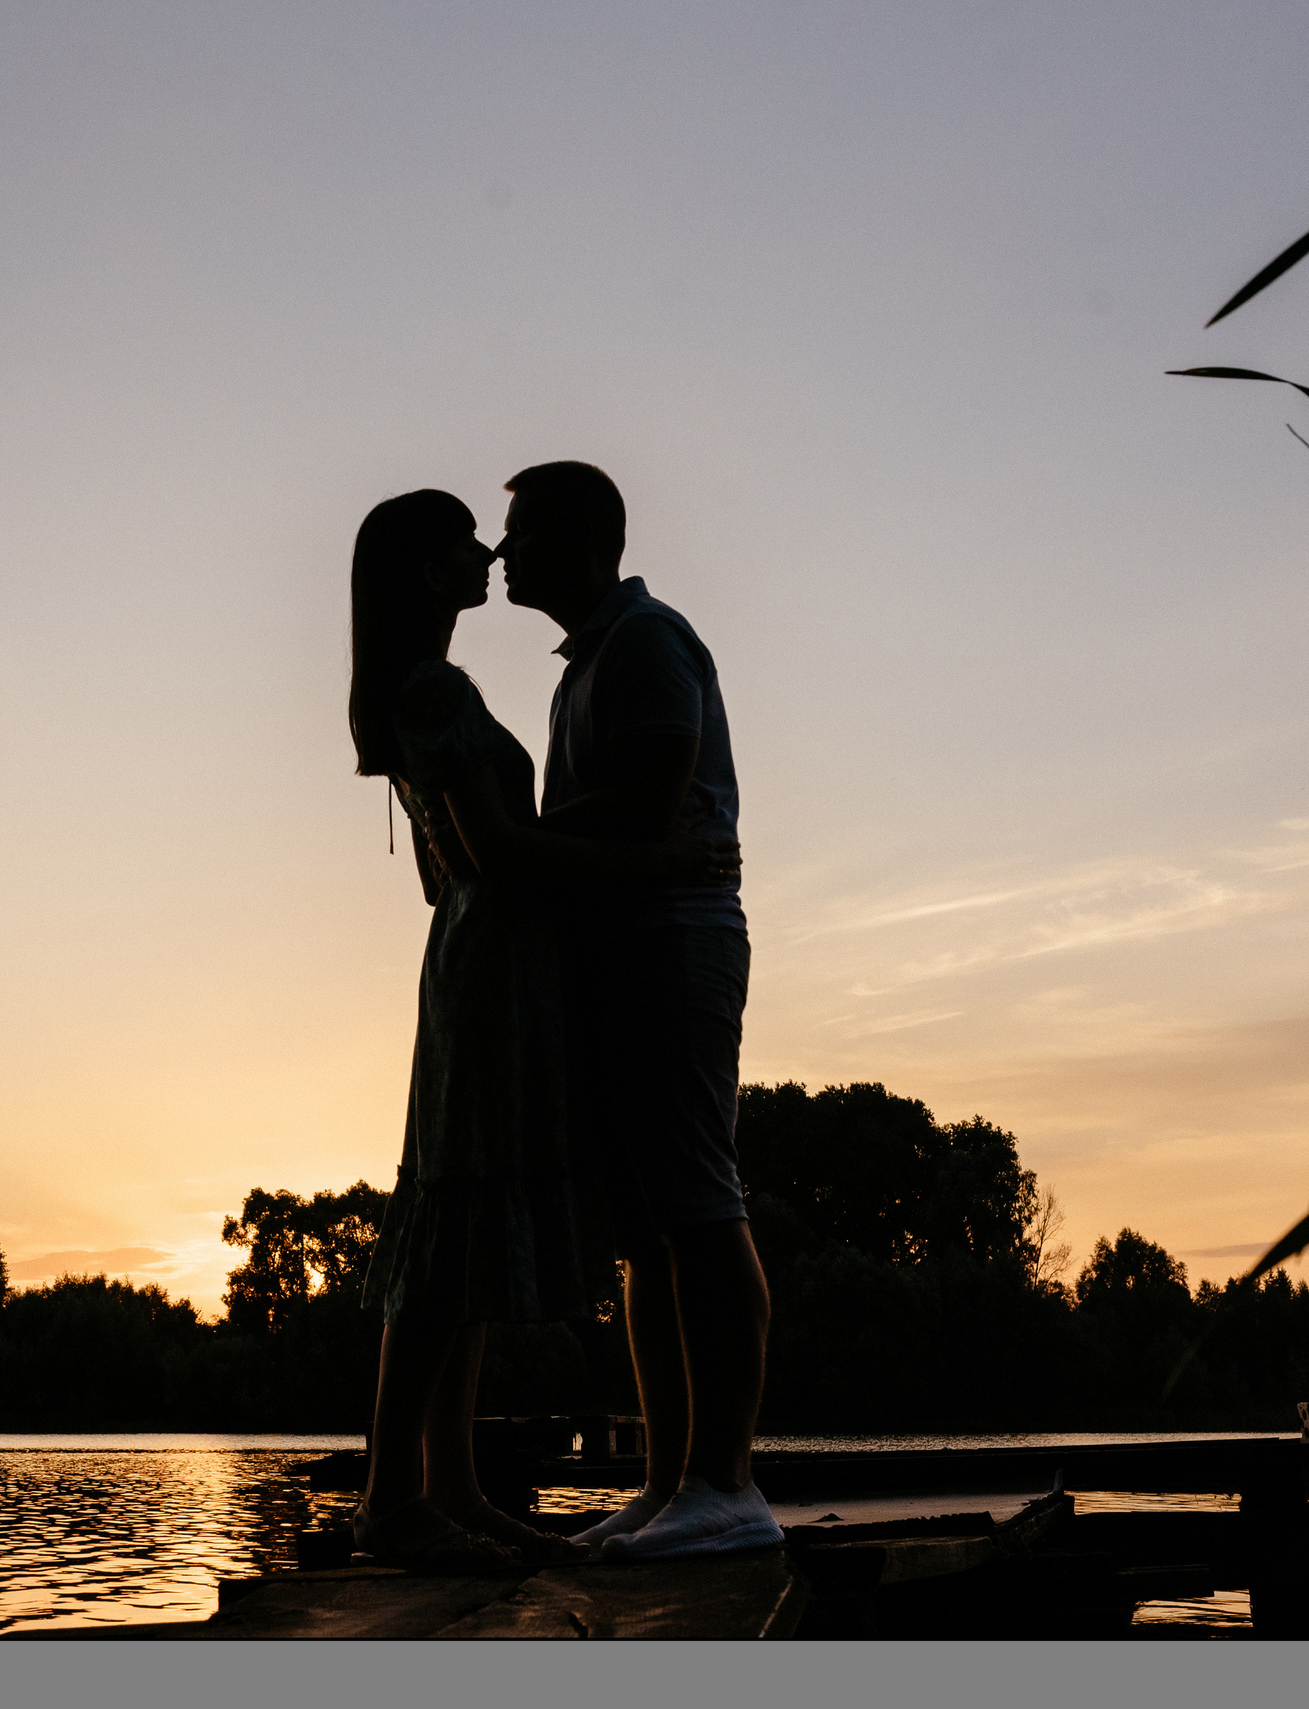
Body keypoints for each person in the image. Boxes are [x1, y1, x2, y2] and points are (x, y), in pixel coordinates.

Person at [345, 488, 733, 1572]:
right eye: (470, 540)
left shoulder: (424, 690)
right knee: (449, 1218)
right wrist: (658, 859)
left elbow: (446, 872)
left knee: (462, 1219)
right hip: (488, 977)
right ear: (430, 572)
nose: (493, 550)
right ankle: (393, 1498)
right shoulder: (432, 690)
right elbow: (499, 856)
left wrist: (501, 866)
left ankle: (450, 1488)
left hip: (487, 958)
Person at [497, 460, 782, 1560]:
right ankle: (669, 1485)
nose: (502, 551)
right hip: (615, 953)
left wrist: (511, 840)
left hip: (674, 941)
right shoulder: (586, 663)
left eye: (522, 531)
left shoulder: (648, 640)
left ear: (584, 539)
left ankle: (729, 1482)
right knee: (644, 1231)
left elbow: (652, 802)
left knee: (700, 1201)